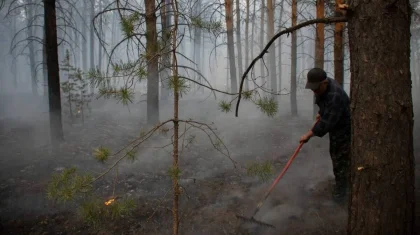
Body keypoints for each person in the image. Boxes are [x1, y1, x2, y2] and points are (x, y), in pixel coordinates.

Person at [299, 68, 351, 202]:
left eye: (316, 88)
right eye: (312, 88)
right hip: (336, 125)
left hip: (344, 129)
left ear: (324, 83)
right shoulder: (322, 88)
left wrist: (309, 134)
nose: (314, 91)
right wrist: (322, 112)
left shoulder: (335, 96)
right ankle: (344, 184)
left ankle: (342, 193)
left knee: (340, 159)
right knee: (336, 155)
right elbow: (323, 103)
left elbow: (327, 123)